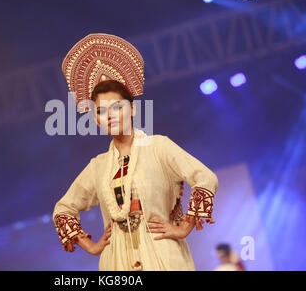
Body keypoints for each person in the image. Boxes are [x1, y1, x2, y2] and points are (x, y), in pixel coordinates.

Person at [52, 33, 218, 271]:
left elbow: (206, 177)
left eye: (116, 107)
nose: (109, 115)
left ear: (132, 109)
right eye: (100, 111)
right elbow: (63, 208)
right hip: (117, 261)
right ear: (95, 119)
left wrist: (183, 228)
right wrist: (92, 245)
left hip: (162, 253)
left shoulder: (158, 146)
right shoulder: (99, 166)